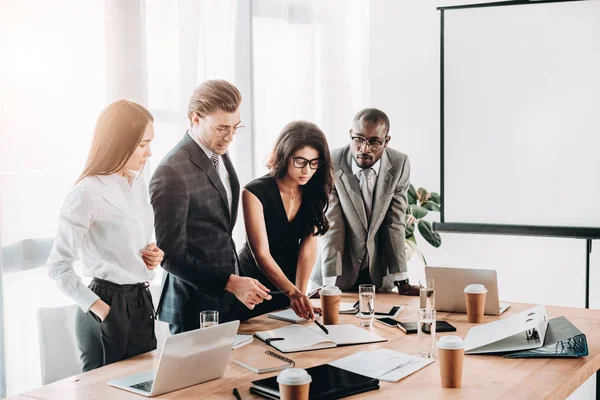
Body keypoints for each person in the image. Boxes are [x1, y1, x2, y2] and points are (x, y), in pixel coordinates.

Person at [47, 99, 164, 372]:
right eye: (143, 144)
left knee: (144, 386)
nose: (149, 153)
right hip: (107, 303)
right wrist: (101, 310)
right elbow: (57, 266)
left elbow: (128, 241)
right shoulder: (86, 193)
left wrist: (151, 254)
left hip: (140, 300)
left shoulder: (136, 184)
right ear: (121, 142)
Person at [150, 80, 271, 334]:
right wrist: (231, 282)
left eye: (235, 128)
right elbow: (170, 255)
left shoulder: (218, 150)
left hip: (227, 302)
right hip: (193, 307)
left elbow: (219, 230)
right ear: (196, 119)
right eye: (221, 128)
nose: (229, 137)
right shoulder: (171, 171)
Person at [310, 108, 420, 295]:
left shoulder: (399, 164)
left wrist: (402, 280)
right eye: (358, 139)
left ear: (386, 141)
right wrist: (329, 286)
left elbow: (395, 223)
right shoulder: (332, 162)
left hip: (377, 277)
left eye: (374, 142)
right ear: (350, 134)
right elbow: (333, 224)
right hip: (336, 276)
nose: (364, 148)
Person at [237, 121, 333, 320]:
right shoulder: (254, 192)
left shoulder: (313, 190)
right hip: (253, 285)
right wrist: (293, 293)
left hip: (289, 285)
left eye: (314, 163)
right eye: (300, 161)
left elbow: (308, 247)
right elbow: (261, 254)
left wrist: (300, 294)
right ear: (284, 155)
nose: (307, 170)